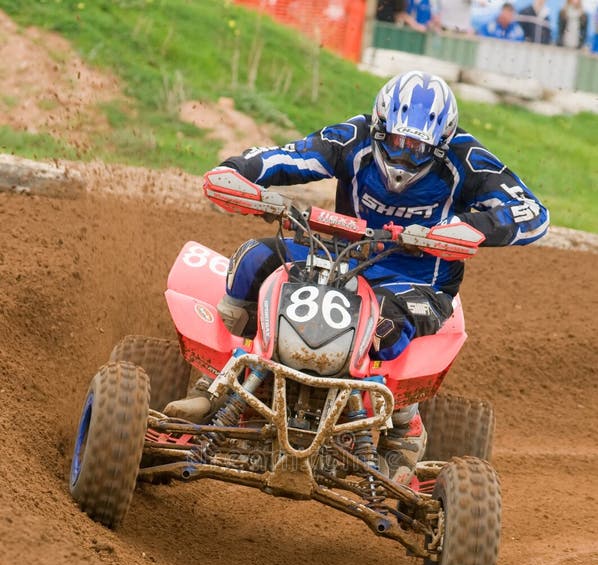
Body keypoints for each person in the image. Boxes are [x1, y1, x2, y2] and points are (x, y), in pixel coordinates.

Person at [166, 71, 549, 482]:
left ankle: (404, 429)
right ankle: (210, 387)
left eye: (418, 146)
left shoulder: (467, 159)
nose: (404, 153)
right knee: (252, 259)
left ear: (440, 144)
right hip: (343, 257)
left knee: (385, 325)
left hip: (418, 280)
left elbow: (533, 212)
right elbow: (293, 155)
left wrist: (473, 228)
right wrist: (238, 171)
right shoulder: (355, 137)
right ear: (380, 127)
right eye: (398, 140)